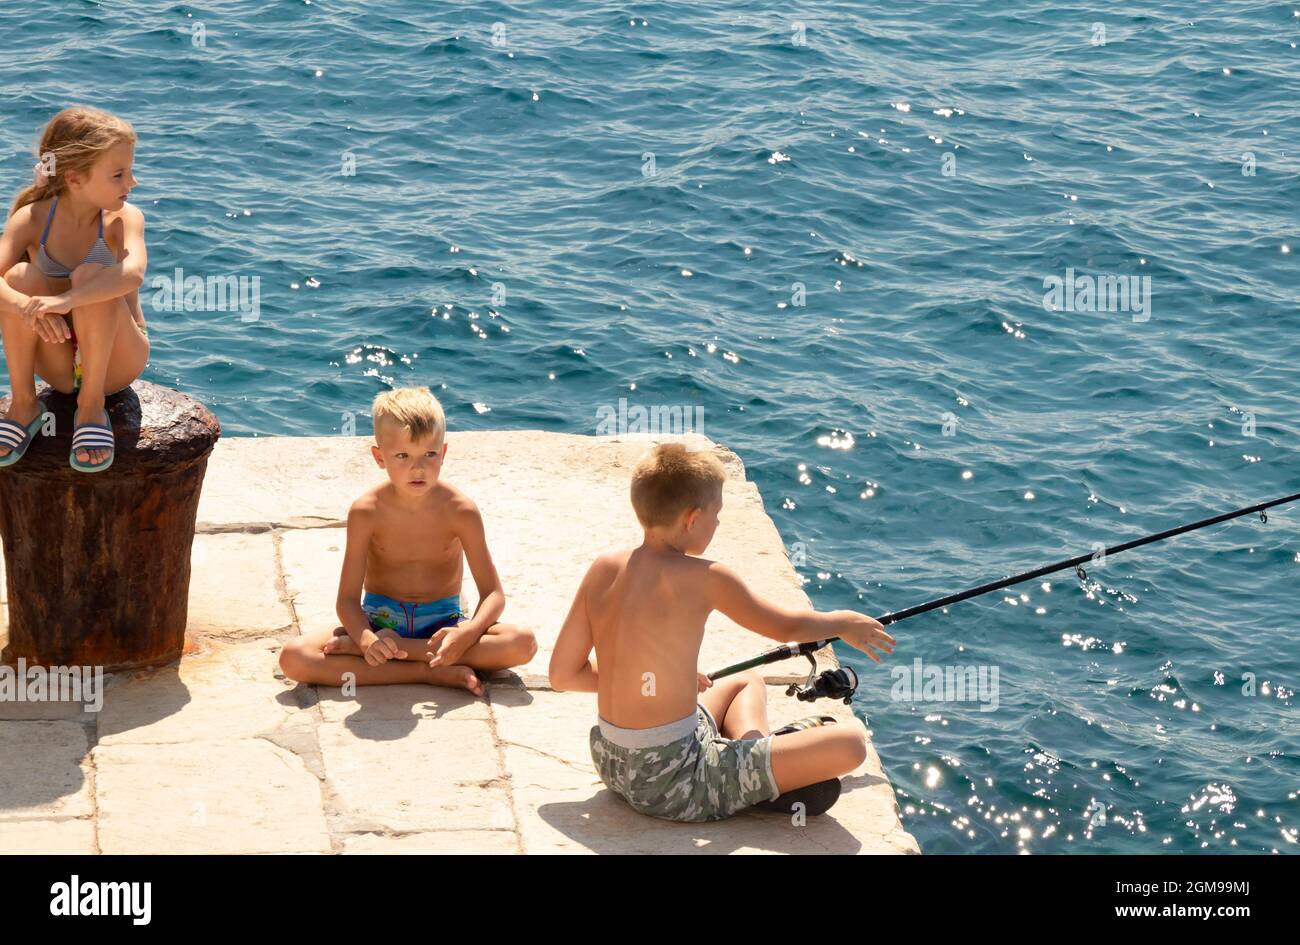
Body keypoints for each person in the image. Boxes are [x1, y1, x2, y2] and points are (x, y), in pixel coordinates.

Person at [550, 443, 895, 822]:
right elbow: (785, 626)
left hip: (611, 760)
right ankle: (757, 777)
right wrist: (844, 622)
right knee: (850, 745)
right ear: (692, 518)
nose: (718, 523)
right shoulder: (707, 578)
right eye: (717, 514)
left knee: (746, 681)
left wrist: (670, 680)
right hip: (675, 780)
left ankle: (755, 757)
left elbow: (563, 674)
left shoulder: (604, 566)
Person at [278, 387, 536, 695]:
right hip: (379, 622)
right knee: (294, 658)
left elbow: (493, 594)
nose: (418, 468)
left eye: (429, 454)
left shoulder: (460, 510)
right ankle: (429, 672)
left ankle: (404, 656)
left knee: (523, 643)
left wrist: (467, 634)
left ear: (443, 453)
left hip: (445, 625)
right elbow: (347, 600)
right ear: (379, 457)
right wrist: (366, 639)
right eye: (403, 456)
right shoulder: (366, 511)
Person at [0, 106, 149, 471]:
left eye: (129, 172)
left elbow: (132, 274)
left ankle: (91, 408)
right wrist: (25, 306)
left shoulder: (122, 219)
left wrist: (66, 298)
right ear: (75, 178)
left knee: (90, 276)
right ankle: (24, 404)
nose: (132, 183)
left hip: (116, 360)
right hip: (60, 364)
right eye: (118, 175)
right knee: (18, 280)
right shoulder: (33, 218)